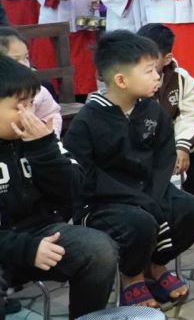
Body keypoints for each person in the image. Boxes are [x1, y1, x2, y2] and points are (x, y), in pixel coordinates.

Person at [65, 31, 194, 308]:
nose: (158, 77)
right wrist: (138, 200)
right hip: (104, 201)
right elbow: (85, 176)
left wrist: (153, 195)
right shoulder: (87, 120)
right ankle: (132, 275)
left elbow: (164, 156)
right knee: (139, 222)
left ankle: (154, 264)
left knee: (193, 212)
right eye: (149, 71)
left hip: (149, 190)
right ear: (121, 80)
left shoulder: (151, 110)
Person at [0, 55, 118, 318]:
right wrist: (26, 249)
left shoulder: (39, 139)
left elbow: (72, 192)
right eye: (19, 106)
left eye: (31, 104)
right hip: (9, 246)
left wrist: (43, 149)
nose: (29, 114)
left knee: (98, 249)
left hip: (39, 234)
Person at [137, 24, 194, 198]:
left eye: (151, 58)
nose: (143, 62)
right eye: (138, 55)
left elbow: (192, 115)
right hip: (140, 140)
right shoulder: (132, 77)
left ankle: (191, 196)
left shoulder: (181, 78)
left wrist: (182, 146)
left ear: (167, 59)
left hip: (174, 137)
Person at [0, 28, 61, 135]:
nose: (24, 64)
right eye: (15, 60)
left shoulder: (38, 90)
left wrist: (46, 133)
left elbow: (51, 114)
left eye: (26, 58)